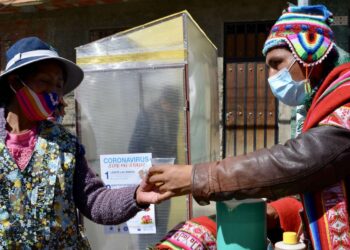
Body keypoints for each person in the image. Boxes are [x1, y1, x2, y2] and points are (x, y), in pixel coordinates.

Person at [146, 4, 350, 249]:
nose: (271, 76)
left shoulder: (345, 97)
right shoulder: (321, 101)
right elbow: (314, 180)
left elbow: (299, 161)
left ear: (310, 52)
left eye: (277, 63)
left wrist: (196, 177)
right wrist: (274, 211)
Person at [0, 36, 159, 249]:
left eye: (58, 86)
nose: (54, 93)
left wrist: (135, 196)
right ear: (15, 83)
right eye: (44, 82)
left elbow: (93, 199)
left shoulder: (64, 144)